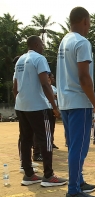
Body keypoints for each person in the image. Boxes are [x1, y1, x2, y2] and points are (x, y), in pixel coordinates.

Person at [56, 7, 95, 197]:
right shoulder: (82, 42)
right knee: (79, 148)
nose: (89, 26)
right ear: (84, 20)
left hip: (66, 102)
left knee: (74, 146)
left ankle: (79, 181)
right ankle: (73, 190)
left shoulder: (64, 41)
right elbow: (84, 78)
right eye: (89, 22)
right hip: (79, 103)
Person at [13, 35, 67, 187]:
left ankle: (29, 174)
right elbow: (45, 84)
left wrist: (21, 101)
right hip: (38, 106)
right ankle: (49, 176)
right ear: (36, 44)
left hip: (21, 106)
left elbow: (14, 88)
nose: (43, 47)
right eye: (42, 44)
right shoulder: (39, 59)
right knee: (46, 140)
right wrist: (54, 107)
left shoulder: (20, 61)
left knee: (26, 139)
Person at [12, 55, 40, 173]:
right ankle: (24, 163)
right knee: (24, 136)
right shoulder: (18, 73)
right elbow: (15, 89)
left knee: (27, 136)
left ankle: (26, 161)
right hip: (25, 106)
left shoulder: (19, 73)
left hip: (22, 105)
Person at [48, 73, 59, 149]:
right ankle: (47, 143)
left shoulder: (54, 88)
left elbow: (59, 96)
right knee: (47, 127)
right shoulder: (45, 86)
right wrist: (54, 96)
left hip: (54, 109)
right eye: (52, 77)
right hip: (48, 108)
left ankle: (51, 142)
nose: (53, 79)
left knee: (52, 127)